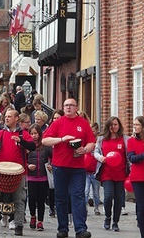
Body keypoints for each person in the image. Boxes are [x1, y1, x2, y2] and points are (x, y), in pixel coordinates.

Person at [42, 98, 96, 238]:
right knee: (61, 198)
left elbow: (92, 142)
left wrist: (84, 149)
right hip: (59, 165)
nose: (68, 108)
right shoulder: (58, 123)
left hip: (78, 167)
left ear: (76, 107)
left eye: (71, 105)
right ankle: (63, 229)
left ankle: (81, 229)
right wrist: (61, 139)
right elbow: (45, 140)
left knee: (78, 196)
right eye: (66, 105)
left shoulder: (83, 123)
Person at [0, 108, 36, 236]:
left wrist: (22, 142)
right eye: (6, 116)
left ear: (16, 119)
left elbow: (32, 146)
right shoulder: (0, 133)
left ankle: (18, 225)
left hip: (19, 172)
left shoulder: (23, 134)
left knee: (19, 199)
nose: (6, 118)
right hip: (1, 171)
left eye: (9, 116)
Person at [94, 116, 129, 232]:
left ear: (119, 126)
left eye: (115, 124)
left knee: (118, 199)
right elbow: (96, 152)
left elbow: (128, 155)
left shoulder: (124, 139)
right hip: (107, 172)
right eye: (111, 125)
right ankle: (107, 216)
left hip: (120, 172)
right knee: (108, 196)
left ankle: (115, 222)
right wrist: (100, 158)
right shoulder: (101, 139)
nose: (113, 127)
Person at [27, 124, 52, 231]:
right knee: (32, 199)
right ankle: (33, 216)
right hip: (31, 177)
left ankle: (40, 221)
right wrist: (28, 166)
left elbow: (52, 156)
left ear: (40, 134)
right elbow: (23, 159)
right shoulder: (27, 146)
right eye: (31, 133)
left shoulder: (45, 146)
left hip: (43, 177)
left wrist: (51, 164)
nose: (34, 136)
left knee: (41, 200)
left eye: (35, 133)